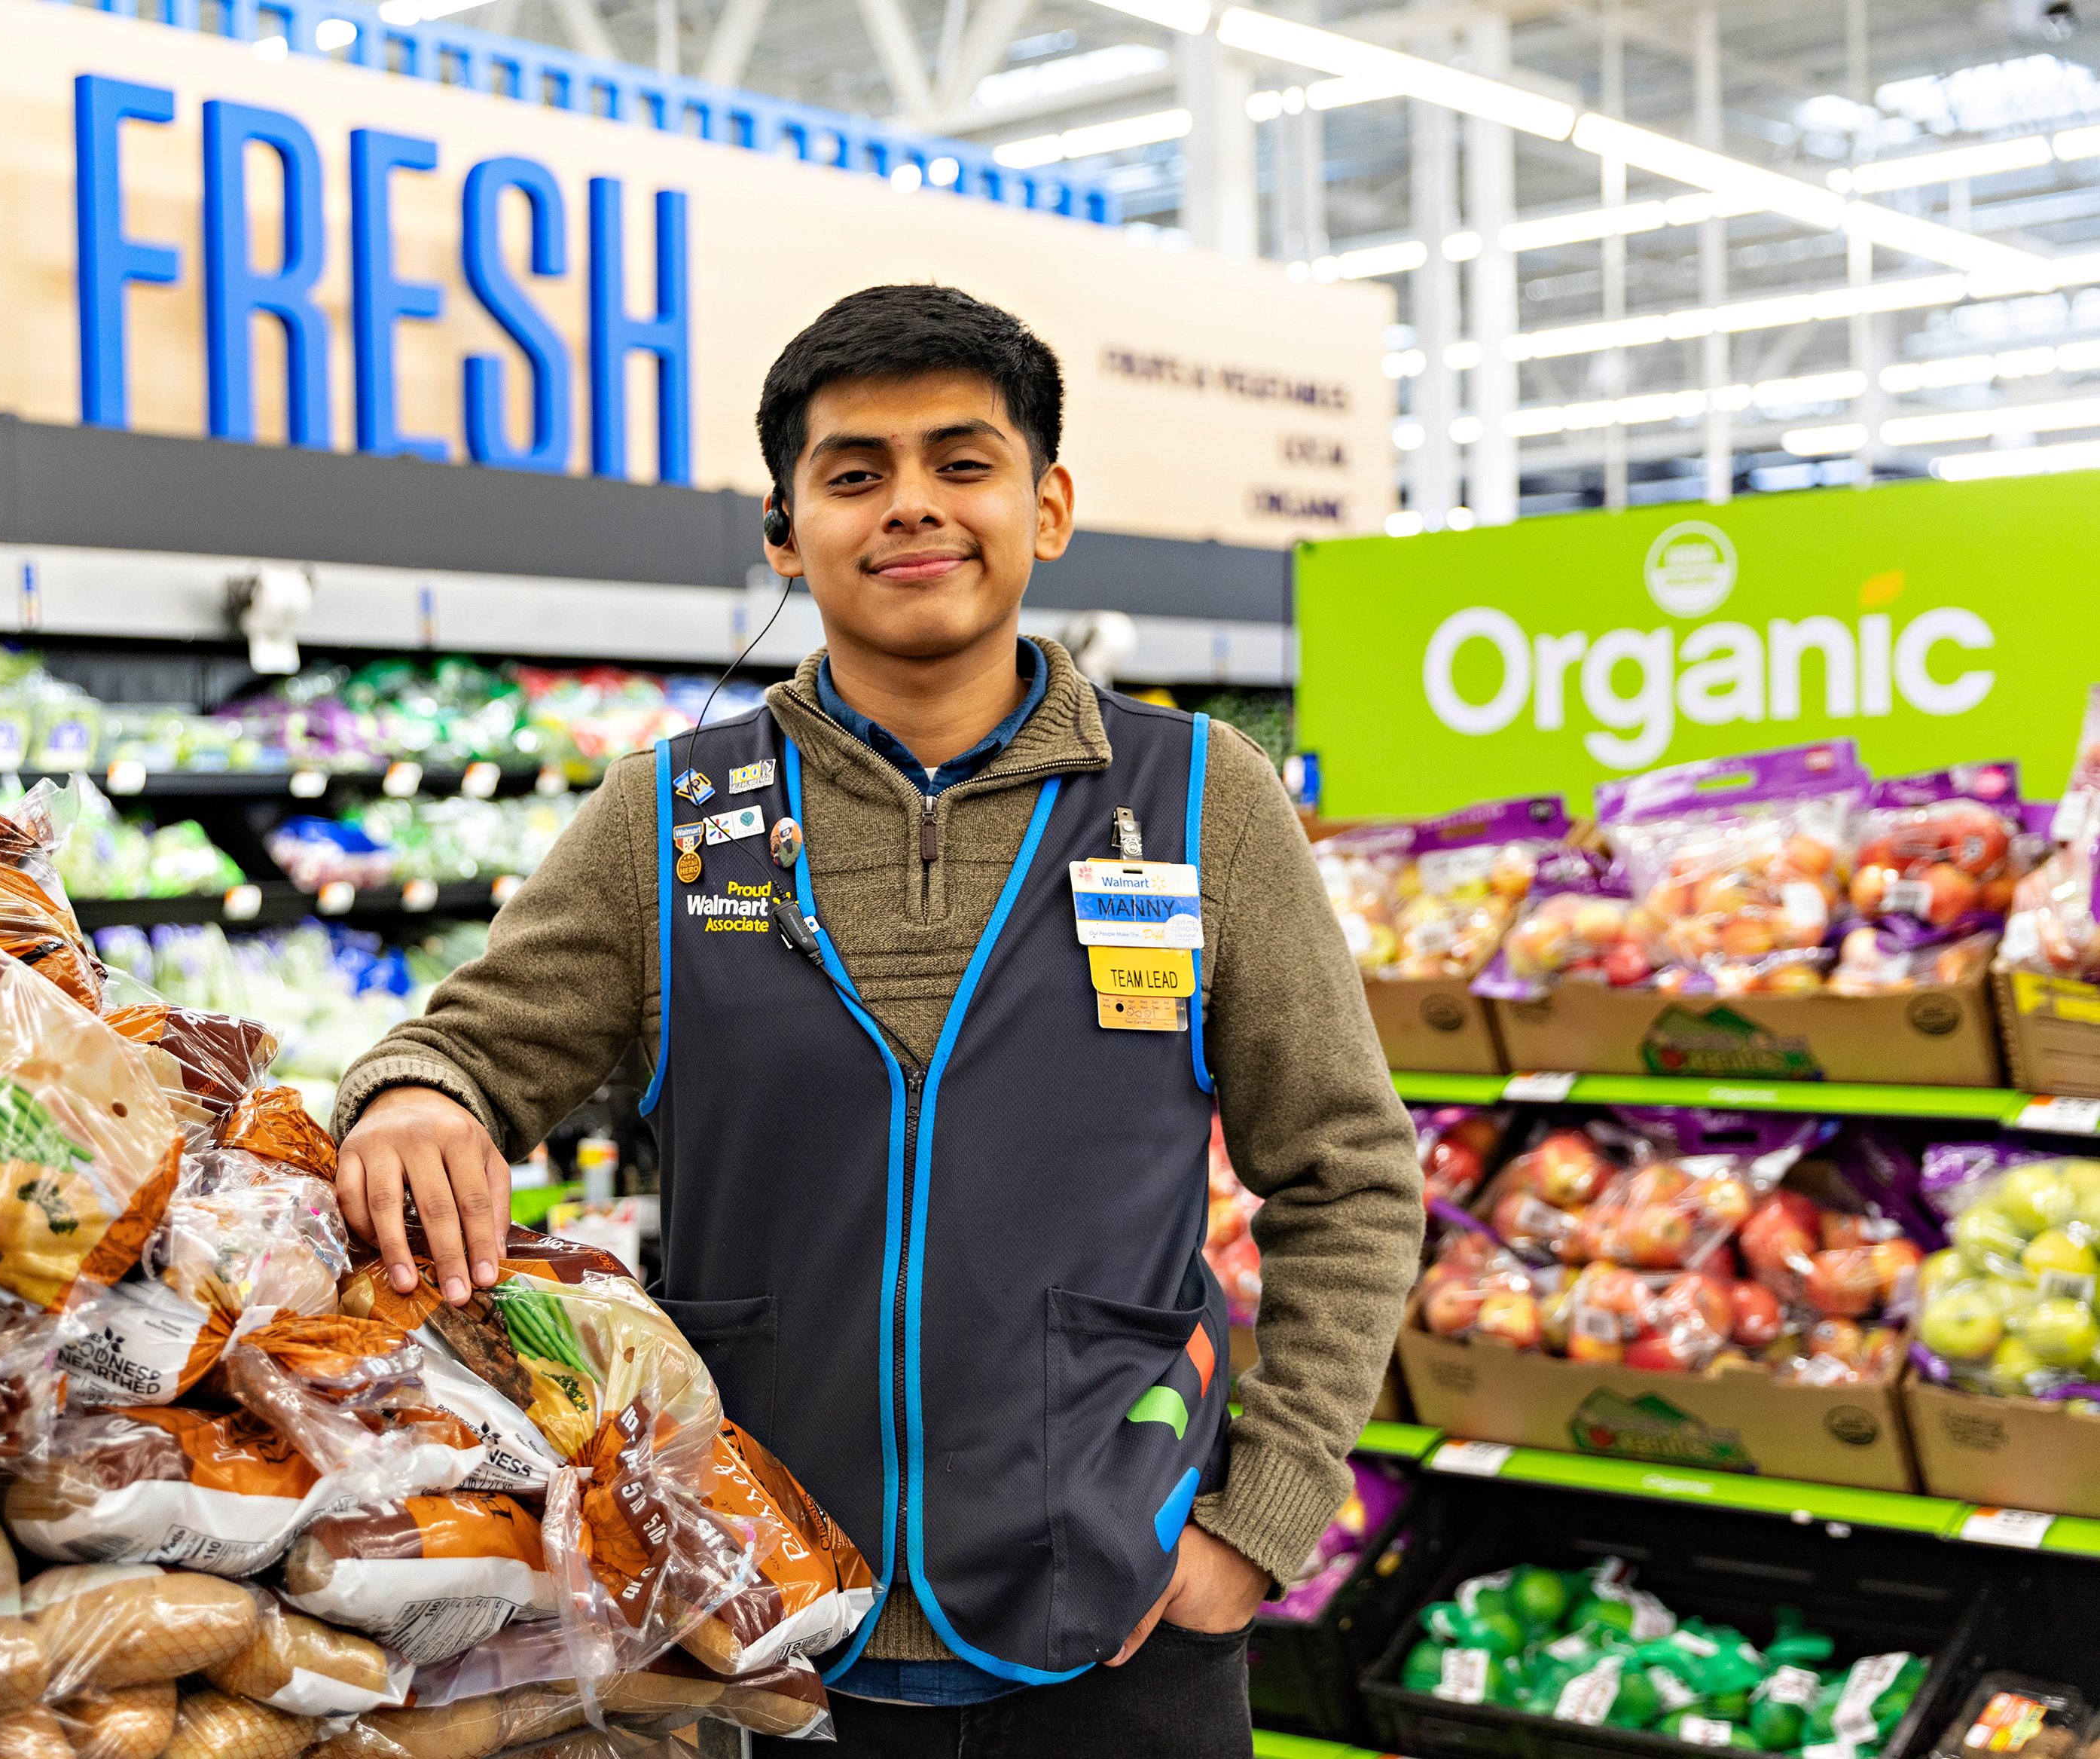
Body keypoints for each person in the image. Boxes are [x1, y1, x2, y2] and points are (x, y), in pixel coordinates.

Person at [329, 283, 1424, 1757]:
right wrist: (413, 1100)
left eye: (961, 464)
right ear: (786, 535)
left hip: (1125, 1612)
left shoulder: (1197, 798)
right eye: (854, 474)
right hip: (764, 1622)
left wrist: (1263, 1515)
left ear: (1045, 508)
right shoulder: (667, 817)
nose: (912, 508)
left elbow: (1347, 1173)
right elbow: (456, 1049)